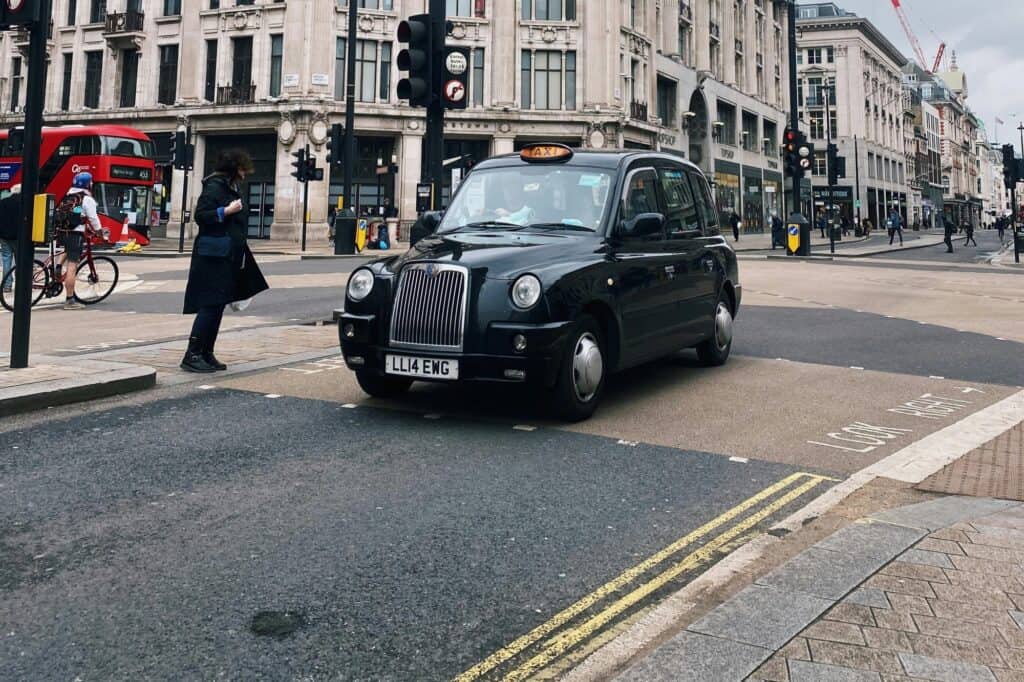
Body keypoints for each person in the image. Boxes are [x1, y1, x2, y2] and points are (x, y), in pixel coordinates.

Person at [181, 150, 269, 373]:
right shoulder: (214, 186)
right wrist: (225, 211)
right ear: (233, 169)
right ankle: (192, 354)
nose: (244, 174)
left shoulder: (231, 187)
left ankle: (206, 352)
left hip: (226, 255)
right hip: (212, 255)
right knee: (210, 304)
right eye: (241, 170)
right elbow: (201, 216)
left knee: (218, 305)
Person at [59, 173, 103, 310]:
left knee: (67, 250)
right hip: (75, 234)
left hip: (62, 231)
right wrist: (100, 232)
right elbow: (93, 218)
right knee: (72, 266)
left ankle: (57, 267)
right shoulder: (86, 199)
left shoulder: (68, 195)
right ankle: (70, 300)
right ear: (88, 184)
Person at [0, 184, 21, 292]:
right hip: (19, 237)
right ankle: (20, 285)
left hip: (4, 236)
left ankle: (7, 286)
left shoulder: (3, 202)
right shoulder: (23, 203)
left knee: (6, 260)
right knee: (20, 261)